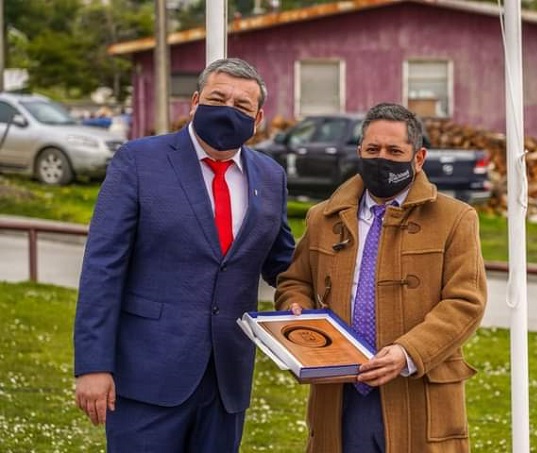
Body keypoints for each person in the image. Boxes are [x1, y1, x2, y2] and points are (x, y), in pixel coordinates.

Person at [73, 58, 295, 452]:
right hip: (147, 377)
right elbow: (103, 268)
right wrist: (93, 365)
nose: (229, 109)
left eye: (242, 106)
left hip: (227, 381)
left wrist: (302, 296)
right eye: (218, 97)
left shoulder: (271, 176)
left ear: (258, 118)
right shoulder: (138, 161)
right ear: (194, 102)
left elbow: (283, 263)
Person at [275, 102, 487, 452]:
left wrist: (407, 352)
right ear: (359, 151)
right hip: (340, 392)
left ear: (418, 158)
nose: (381, 158)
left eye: (394, 151)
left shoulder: (456, 218)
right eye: (372, 149)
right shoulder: (322, 218)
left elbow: (466, 302)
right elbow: (295, 281)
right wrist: (296, 306)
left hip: (417, 388)